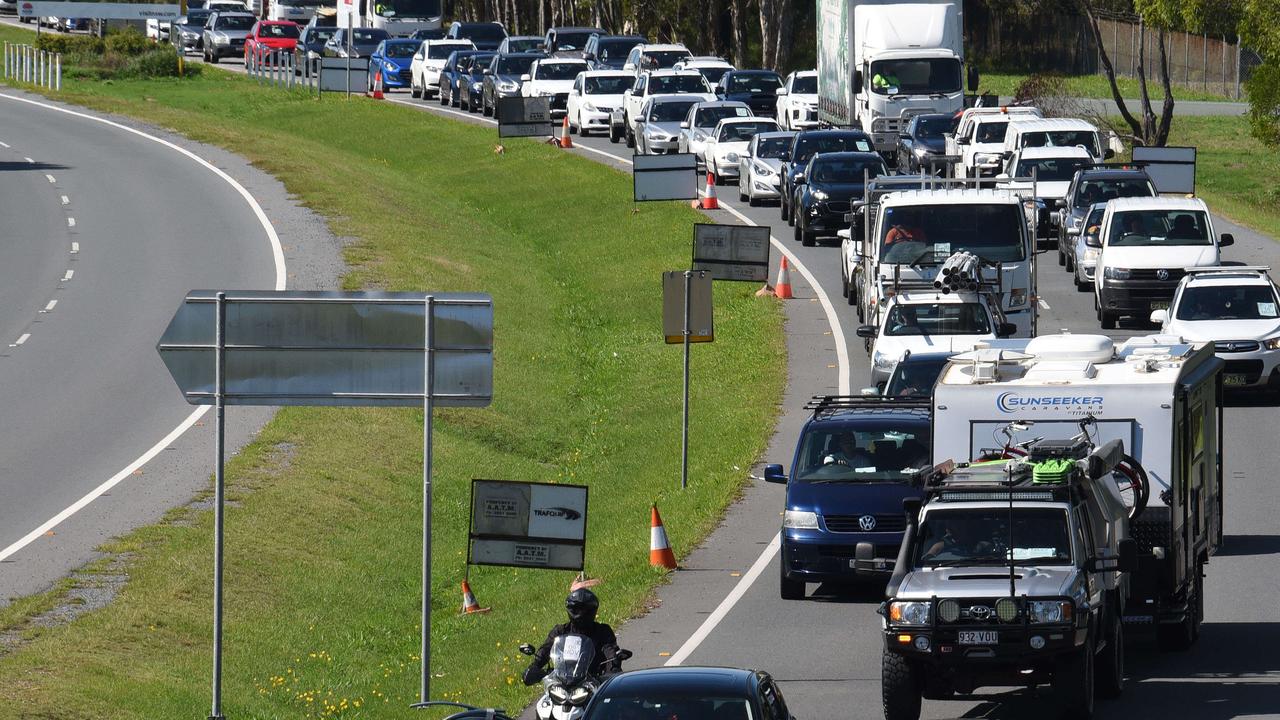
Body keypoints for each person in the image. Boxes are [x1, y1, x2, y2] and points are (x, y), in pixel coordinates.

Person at [522, 589, 622, 686]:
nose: (579, 612)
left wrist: (612, 670)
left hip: (593, 684)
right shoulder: (560, 631)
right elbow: (546, 649)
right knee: (544, 702)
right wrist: (535, 667)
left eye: (582, 609)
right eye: (576, 608)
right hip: (560, 683)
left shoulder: (602, 631)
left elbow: (610, 651)